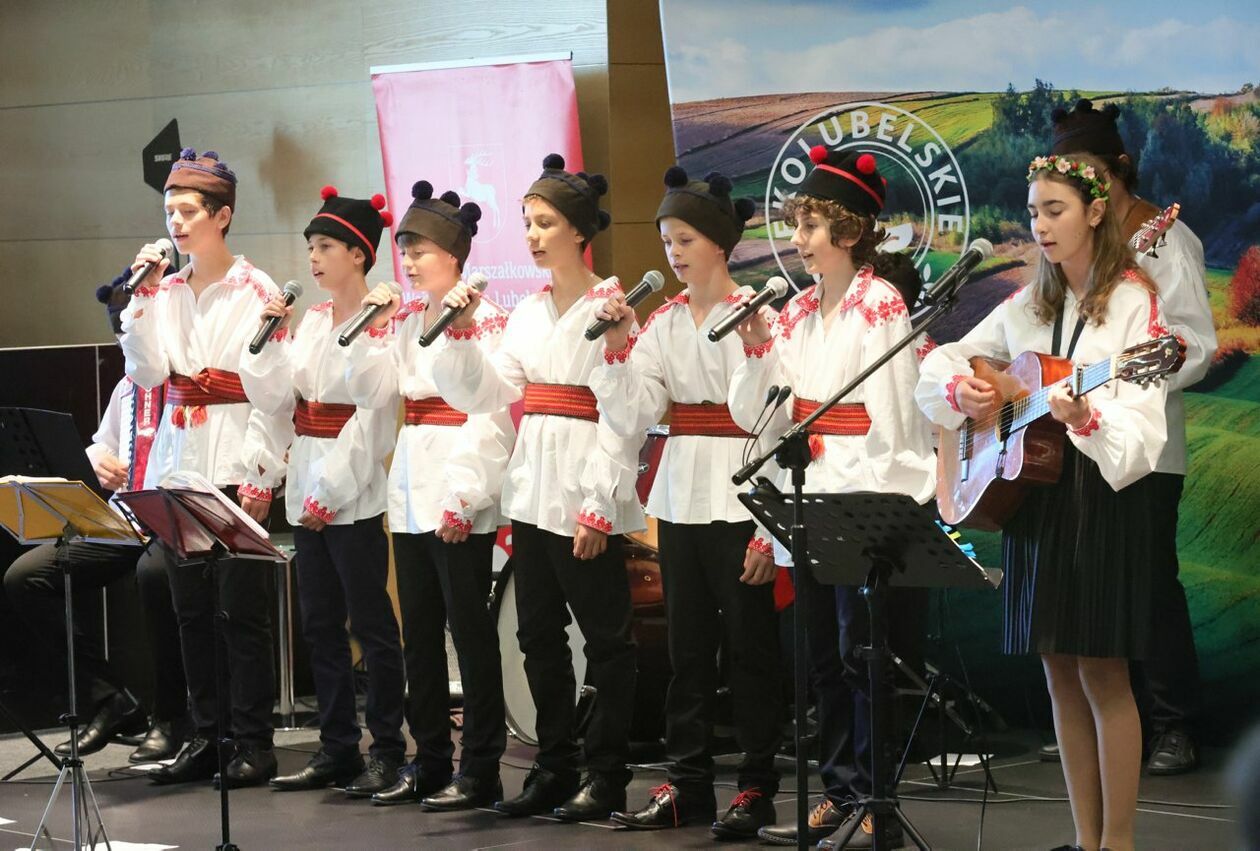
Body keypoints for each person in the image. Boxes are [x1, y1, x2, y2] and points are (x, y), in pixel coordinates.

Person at [916, 152, 1169, 851]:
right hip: (1035, 494)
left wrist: (1085, 417)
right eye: (1033, 212)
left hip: (1100, 497)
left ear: (1095, 211)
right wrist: (963, 389)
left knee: (1103, 672)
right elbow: (943, 359)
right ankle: (1085, 839)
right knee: (1058, 669)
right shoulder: (1029, 303)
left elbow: (1142, 428)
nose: (1041, 225)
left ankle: (1117, 843)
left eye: (1055, 210)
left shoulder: (1132, 302)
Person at [727, 146, 936, 849]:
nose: (798, 239)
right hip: (808, 493)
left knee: (861, 653)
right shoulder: (795, 311)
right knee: (821, 654)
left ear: (848, 231)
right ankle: (839, 789)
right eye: (797, 225)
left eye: (810, 225)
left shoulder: (881, 305)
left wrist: (883, 509)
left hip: (857, 495)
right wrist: (758, 347)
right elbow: (763, 415)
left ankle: (877, 798)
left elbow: (895, 415)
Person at [433, 154, 644, 822]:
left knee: (605, 640)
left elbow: (625, 419)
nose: (532, 234)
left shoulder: (612, 308)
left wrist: (599, 505)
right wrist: (463, 337)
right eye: (527, 222)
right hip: (531, 490)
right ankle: (556, 765)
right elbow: (488, 393)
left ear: (580, 230)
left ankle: (607, 772)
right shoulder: (527, 312)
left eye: (545, 222)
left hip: (583, 492)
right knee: (537, 635)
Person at [588, 166, 782, 839]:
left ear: (720, 244)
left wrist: (768, 529)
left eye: (686, 239)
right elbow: (636, 413)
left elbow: (775, 423)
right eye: (667, 240)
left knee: (751, 650)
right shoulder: (664, 321)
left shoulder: (757, 313)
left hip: (742, 492)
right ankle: (688, 783)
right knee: (687, 648)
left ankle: (757, 785)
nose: (673, 252)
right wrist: (619, 347)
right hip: (680, 495)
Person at [1044, 99, 1217, 776]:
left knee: (1147, 582)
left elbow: (1195, 343)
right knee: (1088, 586)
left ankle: (1174, 723)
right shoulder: (1070, 248)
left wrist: (1126, 378)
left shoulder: (1164, 240)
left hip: (1144, 443)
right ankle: (1108, 724)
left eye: (1089, 173)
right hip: (1073, 442)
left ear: (1117, 169)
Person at [342, 182, 513, 810]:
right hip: (413, 488)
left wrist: (465, 497)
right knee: (418, 633)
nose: (409, 263)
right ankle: (431, 758)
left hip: (459, 488)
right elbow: (370, 392)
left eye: (420, 251)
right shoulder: (407, 320)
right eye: (405, 251)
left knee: (470, 632)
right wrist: (370, 330)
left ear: (454, 255)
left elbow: (491, 417)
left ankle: (482, 766)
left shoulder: (486, 320)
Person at [120, 148, 288, 788]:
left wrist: (262, 474)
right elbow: (148, 373)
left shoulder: (256, 290)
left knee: (240, 609)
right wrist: (139, 300)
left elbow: (274, 396)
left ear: (222, 216)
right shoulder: (165, 290)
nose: (176, 223)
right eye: (170, 212)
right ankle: (206, 734)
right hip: (180, 461)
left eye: (188, 212)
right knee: (189, 607)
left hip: (235, 458)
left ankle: (253, 742)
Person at [240, 186, 407, 798]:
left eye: (326, 246)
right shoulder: (310, 320)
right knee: (320, 625)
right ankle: (337, 747)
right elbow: (278, 401)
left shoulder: (383, 322)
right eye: (311, 246)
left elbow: (373, 418)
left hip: (352, 490)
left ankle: (386, 748)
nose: (313, 257)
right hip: (307, 475)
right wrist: (269, 344)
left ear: (358, 255)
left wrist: (329, 494)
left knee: (372, 623)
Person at [1, 270, 189, 764]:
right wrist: (95, 460)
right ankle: (109, 698)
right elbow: (102, 445)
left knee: (154, 575)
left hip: (172, 517)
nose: (126, 341)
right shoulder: (127, 387)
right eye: (119, 332)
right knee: (26, 577)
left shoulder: (184, 378)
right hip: (125, 519)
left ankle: (173, 716)